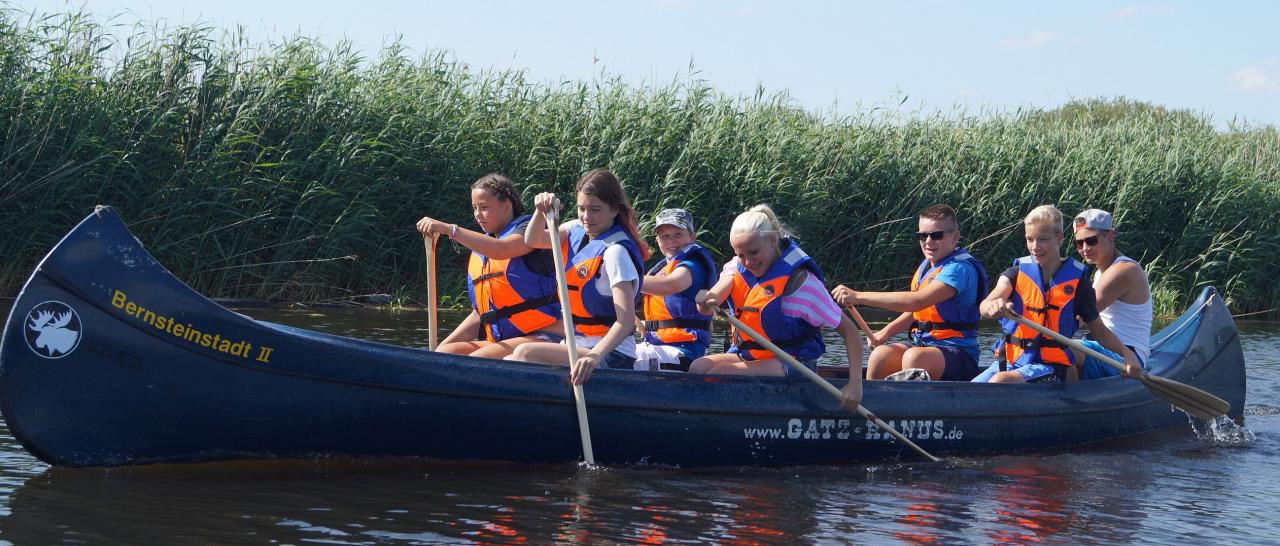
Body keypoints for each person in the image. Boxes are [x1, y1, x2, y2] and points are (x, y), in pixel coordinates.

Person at [690, 205, 864, 410]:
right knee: (698, 367)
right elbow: (713, 300)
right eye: (740, 254)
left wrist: (855, 386)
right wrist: (705, 300)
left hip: (794, 363)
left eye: (753, 252)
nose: (748, 261)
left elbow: (850, 332)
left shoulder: (802, 284)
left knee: (718, 374)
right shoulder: (735, 267)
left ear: (772, 241)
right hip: (751, 355)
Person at [507, 169, 650, 385]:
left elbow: (626, 321)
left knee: (525, 353)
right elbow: (533, 239)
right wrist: (540, 211)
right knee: (510, 359)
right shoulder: (574, 229)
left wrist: (594, 356)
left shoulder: (616, 252)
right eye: (581, 208)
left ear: (614, 210)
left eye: (595, 210)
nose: (586, 217)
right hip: (575, 347)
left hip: (611, 355)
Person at [973, 205, 1141, 383]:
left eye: (1042, 239)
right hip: (1011, 361)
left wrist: (1127, 354)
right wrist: (992, 306)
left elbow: (1099, 330)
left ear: (1059, 238)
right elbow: (987, 303)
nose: (1035, 246)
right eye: (1030, 239)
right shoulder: (1014, 274)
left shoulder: (1079, 284)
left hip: (1051, 367)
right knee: (972, 388)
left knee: (1000, 381)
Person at [831, 204, 988, 381]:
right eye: (922, 236)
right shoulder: (928, 267)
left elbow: (917, 301)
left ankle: (912, 406)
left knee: (914, 357)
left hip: (960, 353)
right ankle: (870, 403)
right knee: (881, 355)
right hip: (923, 345)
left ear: (955, 237)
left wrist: (858, 296)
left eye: (936, 235)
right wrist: (885, 332)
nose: (929, 241)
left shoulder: (959, 269)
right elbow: (918, 313)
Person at [415, 174, 562, 358]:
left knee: (480, 358)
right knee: (445, 353)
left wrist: (451, 230)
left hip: (544, 335)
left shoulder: (529, 230)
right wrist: (439, 351)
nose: (477, 214)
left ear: (506, 206)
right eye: (475, 208)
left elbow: (502, 250)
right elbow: (481, 314)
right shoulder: (483, 246)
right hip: (502, 340)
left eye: (484, 208)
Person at [1070, 209, 1152, 379]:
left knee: (1062, 348)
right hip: (1102, 348)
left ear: (1111, 236)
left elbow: (1079, 318)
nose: (1085, 248)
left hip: (1128, 359)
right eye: (1079, 243)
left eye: (1091, 240)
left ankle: (1065, 399)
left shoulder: (1123, 271)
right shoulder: (1102, 271)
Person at [634, 208, 716, 372]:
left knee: (621, 359)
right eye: (665, 236)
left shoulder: (693, 265)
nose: (671, 240)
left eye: (678, 234)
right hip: (656, 346)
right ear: (657, 241)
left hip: (683, 353)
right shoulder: (660, 270)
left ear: (692, 236)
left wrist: (624, 279)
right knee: (613, 352)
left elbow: (670, 285)